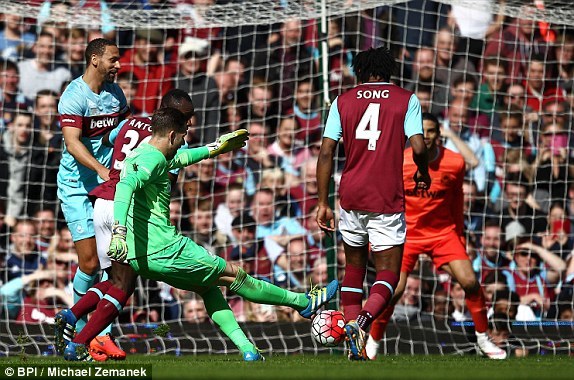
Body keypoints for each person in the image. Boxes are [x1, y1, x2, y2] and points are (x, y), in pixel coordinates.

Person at [61, 108, 338, 362]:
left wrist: (215, 148)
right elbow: (124, 187)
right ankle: (301, 302)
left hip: (143, 255)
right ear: (172, 134)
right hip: (168, 250)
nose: (184, 141)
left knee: (206, 287)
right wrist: (119, 231)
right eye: (182, 136)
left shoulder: (150, 154)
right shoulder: (151, 159)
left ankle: (248, 350)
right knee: (234, 274)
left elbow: (181, 157)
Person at [55, 89, 196, 361]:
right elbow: (167, 184)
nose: (189, 124)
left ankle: (71, 316)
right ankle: (81, 343)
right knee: (123, 286)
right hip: (127, 207)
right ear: (176, 118)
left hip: (104, 200)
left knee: (114, 279)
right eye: (188, 118)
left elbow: (107, 140)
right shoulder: (174, 141)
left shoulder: (130, 122)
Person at [315, 46, 430, 361]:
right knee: (388, 274)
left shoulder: (342, 101)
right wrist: (422, 170)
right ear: (389, 71)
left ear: (360, 72)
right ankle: (362, 322)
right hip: (386, 197)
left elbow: (326, 152)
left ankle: (351, 331)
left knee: (354, 267)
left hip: (350, 196)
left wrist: (322, 202)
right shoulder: (407, 99)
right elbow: (419, 146)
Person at [365, 113, 506, 361]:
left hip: (443, 233)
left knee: (470, 282)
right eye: (422, 131)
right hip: (406, 233)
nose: (426, 136)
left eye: (431, 131)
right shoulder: (399, 161)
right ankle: (373, 341)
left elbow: (457, 201)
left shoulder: (455, 163)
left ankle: (484, 338)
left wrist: (459, 236)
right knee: (394, 290)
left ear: (438, 135)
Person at [56, 38, 129, 357]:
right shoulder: (73, 96)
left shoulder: (116, 94)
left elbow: (124, 132)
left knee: (112, 262)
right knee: (88, 262)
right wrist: (102, 169)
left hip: (107, 185)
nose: (118, 65)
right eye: (113, 59)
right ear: (95, 60)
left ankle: (97, 334)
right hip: (76, 185)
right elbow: (72, 143)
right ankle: (73, 328)